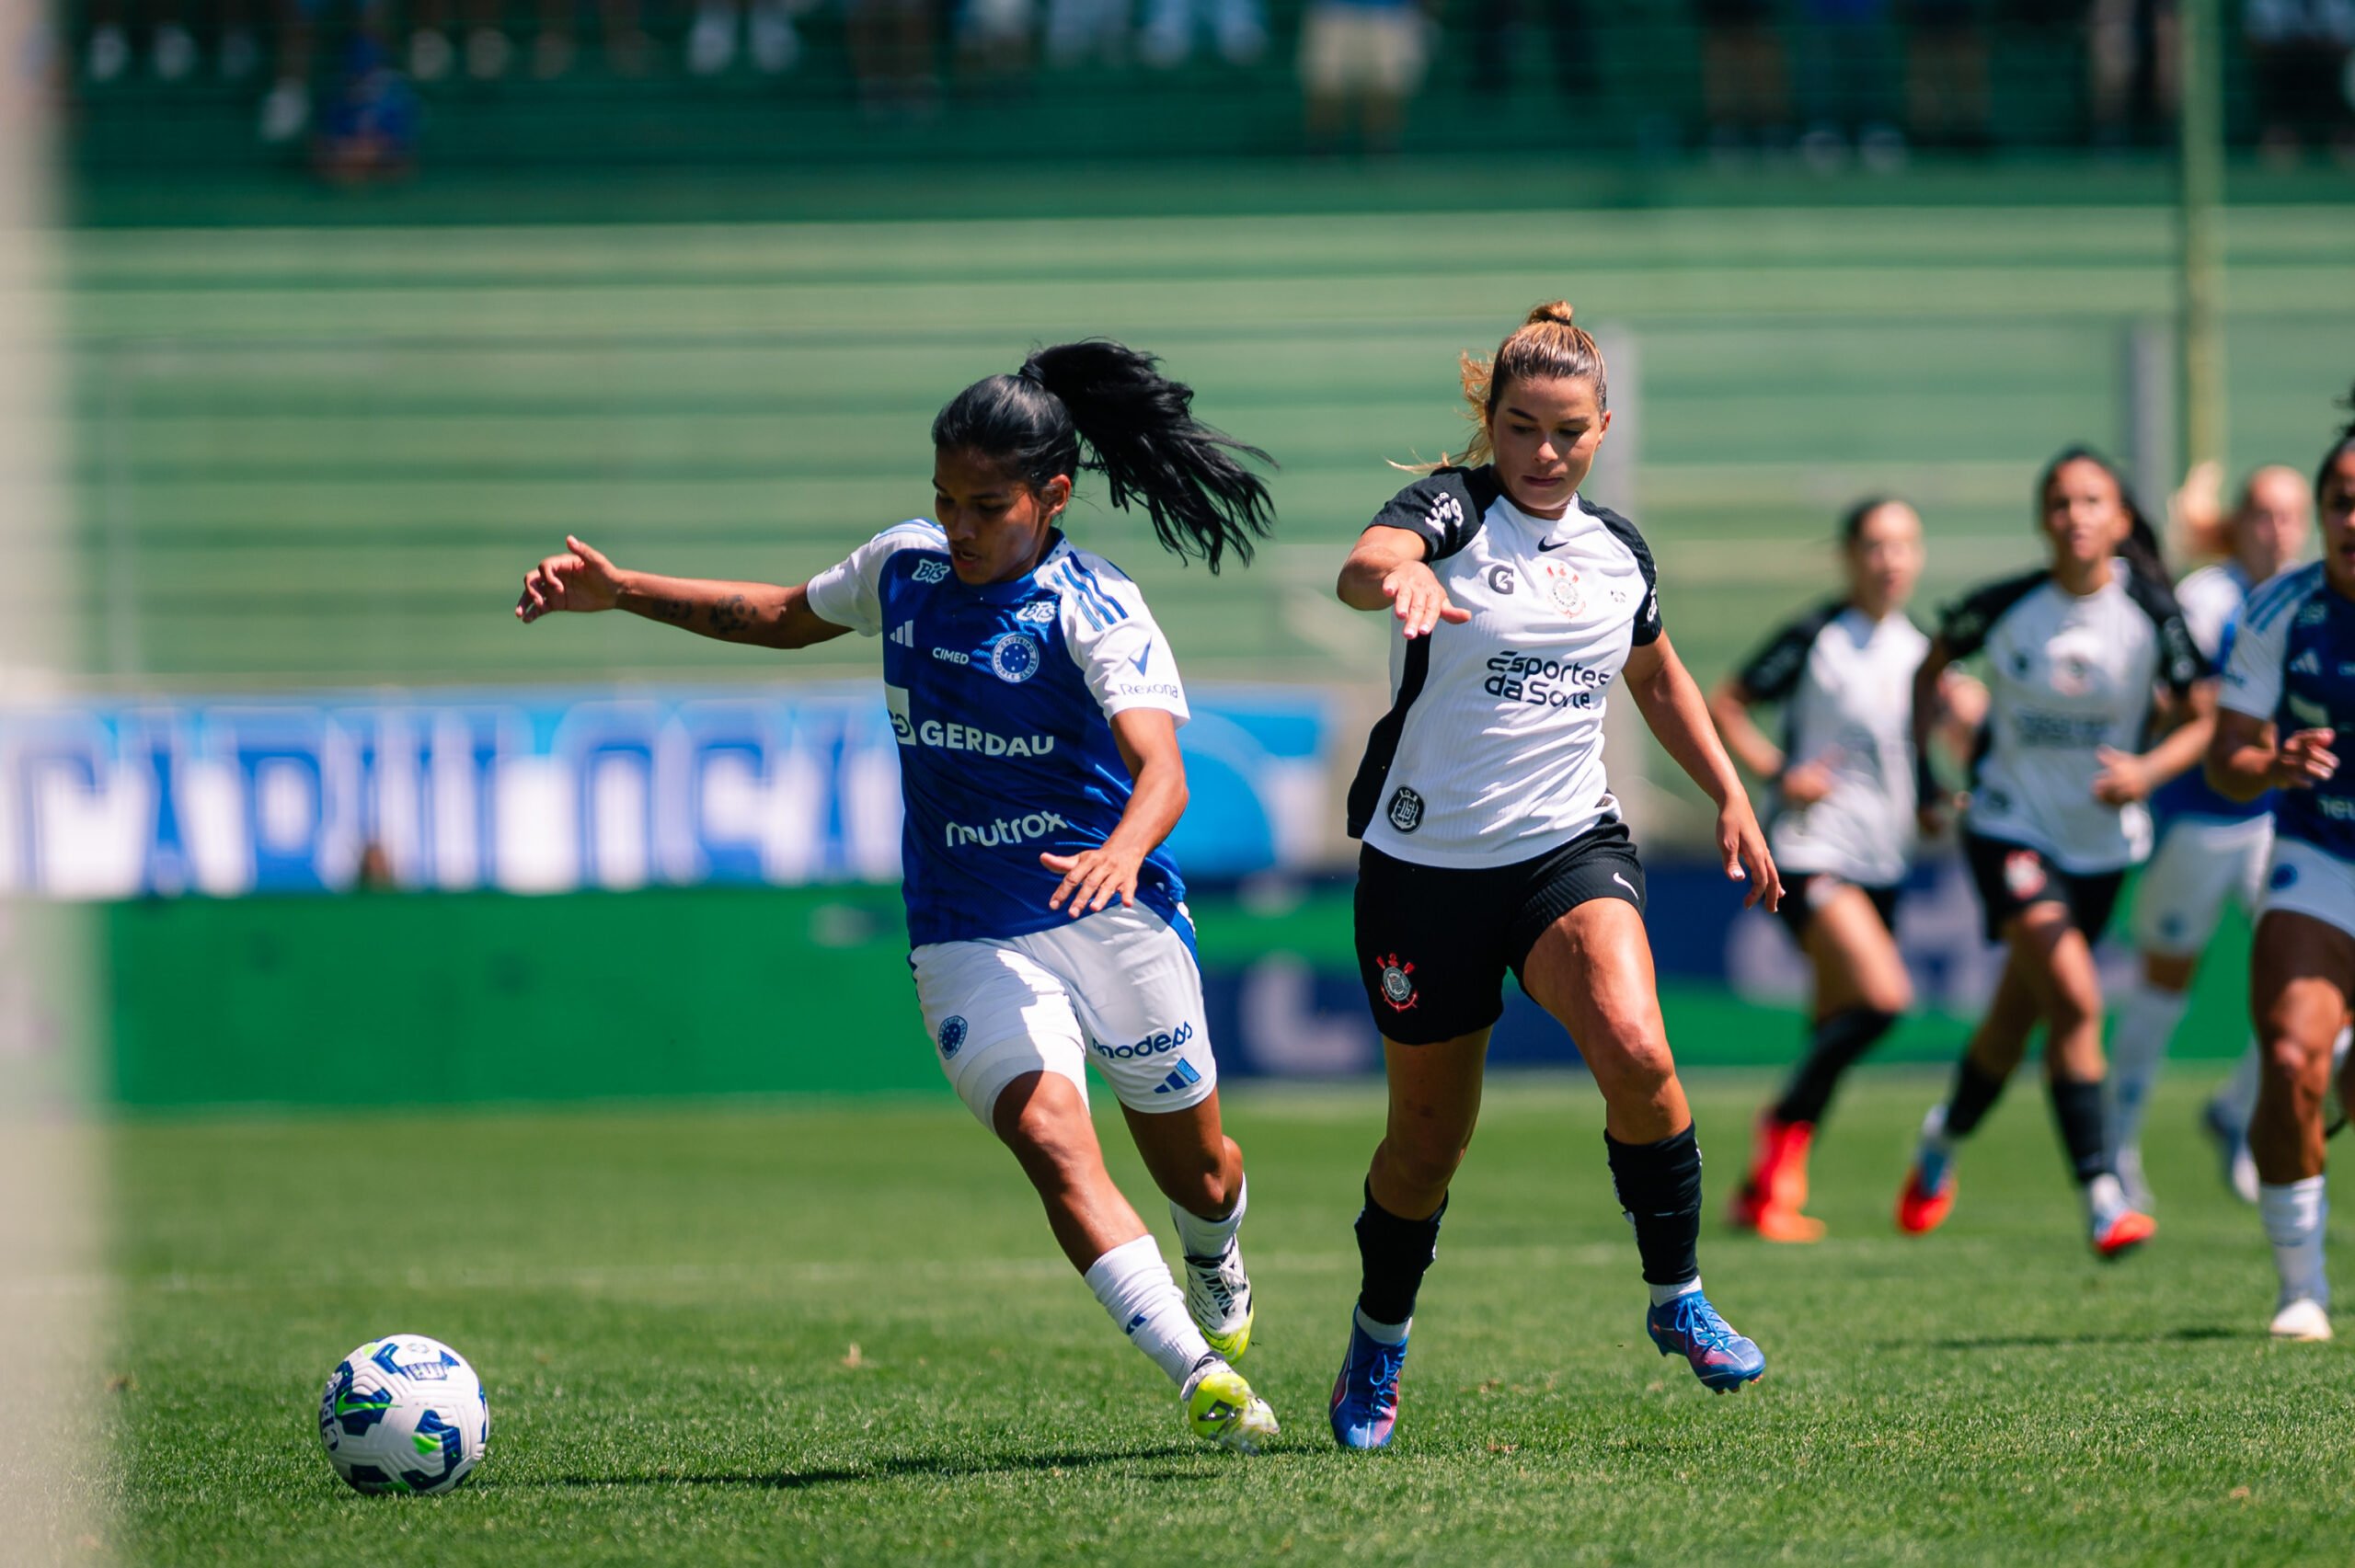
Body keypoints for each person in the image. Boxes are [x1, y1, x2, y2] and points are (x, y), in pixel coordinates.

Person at [511, 340, 1282, 1450]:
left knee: (1200, 1172)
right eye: (942, 499)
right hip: (966, 925)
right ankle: (1195, 1369)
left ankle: (1215, 1259)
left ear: (1050, 497)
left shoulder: (1094, 605)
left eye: (985, 505)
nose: (958, 525)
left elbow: (1162, 769)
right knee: (1051, 1135)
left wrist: (1121, 849)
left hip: (1112, 910)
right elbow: (781, 612)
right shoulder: (905, 568)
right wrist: (621, 591)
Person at [1325, 303, 1781, 1451]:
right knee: (1426, 1146)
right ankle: (1379, 1341)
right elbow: (1362, 564)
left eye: (1567, 431)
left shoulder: (1617, 549)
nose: (1543, 451)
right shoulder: (1449, 510)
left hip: (1566, 852)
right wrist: (1400, 579)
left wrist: (1729, 789)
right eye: (1521, 427)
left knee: (1639, 1049)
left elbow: (1660, 674)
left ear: (1602, 427)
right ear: (1489, 422)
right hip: (1423, 866)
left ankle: (1676, 1294)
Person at [1896, 447, 2214, 1257]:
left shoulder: (2154, 611)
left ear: (2119, 519)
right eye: (2061, 502)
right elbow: (1929, 666)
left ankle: (1942, 1136)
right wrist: (1930, 780)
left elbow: (2207, 716)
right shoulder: (2007, 606)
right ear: (2044, 518)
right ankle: (2104, 1191)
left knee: (2013, 1019)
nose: (2075, 516)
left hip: (2104, 848)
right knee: (2075, 998)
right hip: (2010, 828)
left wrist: (2147, 768)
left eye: (2092, 501)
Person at [1712, 497, 1950, 1242]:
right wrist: (1780, 771)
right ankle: (1775, 1130)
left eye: (1904, 545)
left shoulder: (1921, 650)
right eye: (1876, 545)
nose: (1891, 560)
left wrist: (1936, 799)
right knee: (1883, 1000)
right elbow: (1727, 702)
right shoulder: (1819, 637)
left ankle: (1764, 1189)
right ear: (1850, 556)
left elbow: (1915, 750)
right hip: (1811, 853)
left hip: (1885, 862)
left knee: (1834, 1028)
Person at [2107, 467, 2312, 1210]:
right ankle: (2117, 1151)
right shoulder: (2203, 599)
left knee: (2314, 983)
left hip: (2279, 823)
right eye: (2262, 514)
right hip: (2196, 822)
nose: (2277, 529)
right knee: (2165, 986)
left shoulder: (2314, 597)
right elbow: (2175, 703)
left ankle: (2233, 1109)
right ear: (2239, 521)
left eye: (2290, 515)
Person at [2204, 391, 2355, 1341]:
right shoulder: (2281, 608)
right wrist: (2276, 759)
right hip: (2319, 852)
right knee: (2289, 1059)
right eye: (2338, 500)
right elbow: (2225, 761)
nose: (2351, 519)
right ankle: (2301, 1288)